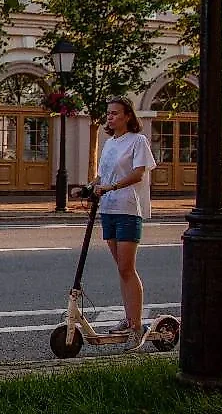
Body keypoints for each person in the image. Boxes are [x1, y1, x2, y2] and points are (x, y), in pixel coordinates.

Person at [72, 96, 156, 351]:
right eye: (108, 113)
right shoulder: (109, 143)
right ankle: (129, 319)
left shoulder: (137, 141)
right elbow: (102, 175)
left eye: (115, 113)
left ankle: (136, 325)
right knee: (121, 268)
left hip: (128, 209)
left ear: (128, 116)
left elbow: (138, 173)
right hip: (107, 208)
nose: (110, 117)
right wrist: (88, 187)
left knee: (127, 268)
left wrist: (112, 186)